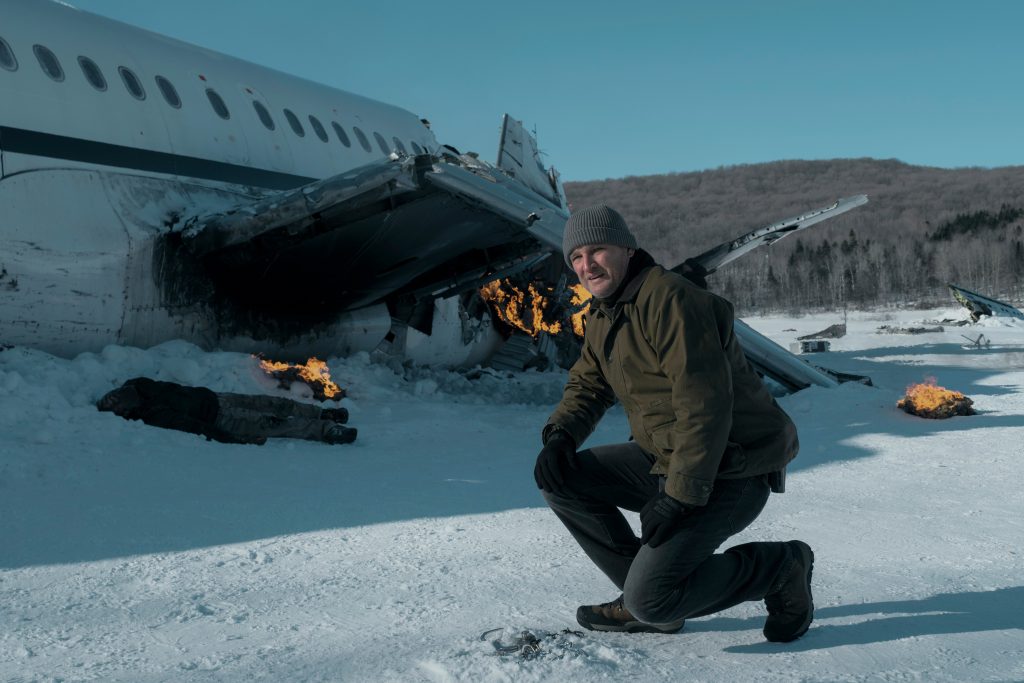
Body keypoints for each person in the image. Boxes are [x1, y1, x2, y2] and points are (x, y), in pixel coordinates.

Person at [535, 205, 813, 642]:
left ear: (626, 248)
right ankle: (652, 600)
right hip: (665, 458)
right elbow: (589, 385)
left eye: (597, 251)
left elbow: (704, 406)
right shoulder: (606, 314)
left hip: (732, 469)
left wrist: (680, 497)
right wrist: (560, 437)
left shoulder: (672, 301)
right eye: (576, 257)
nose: (587, 265)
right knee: (562, 479)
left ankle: (779, 568)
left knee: (652, 597)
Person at [97, 377, 356, 445]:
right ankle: (327, 431)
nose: (115, 397)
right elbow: (195, 427)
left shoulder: (140, 384)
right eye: (115, 403)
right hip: (222, 418)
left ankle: (320, 414)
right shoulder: (153, 414)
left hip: (216, 397)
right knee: (275, 422)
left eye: (113, 396)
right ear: (126, 410)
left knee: (270, 402)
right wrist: (235, 439)